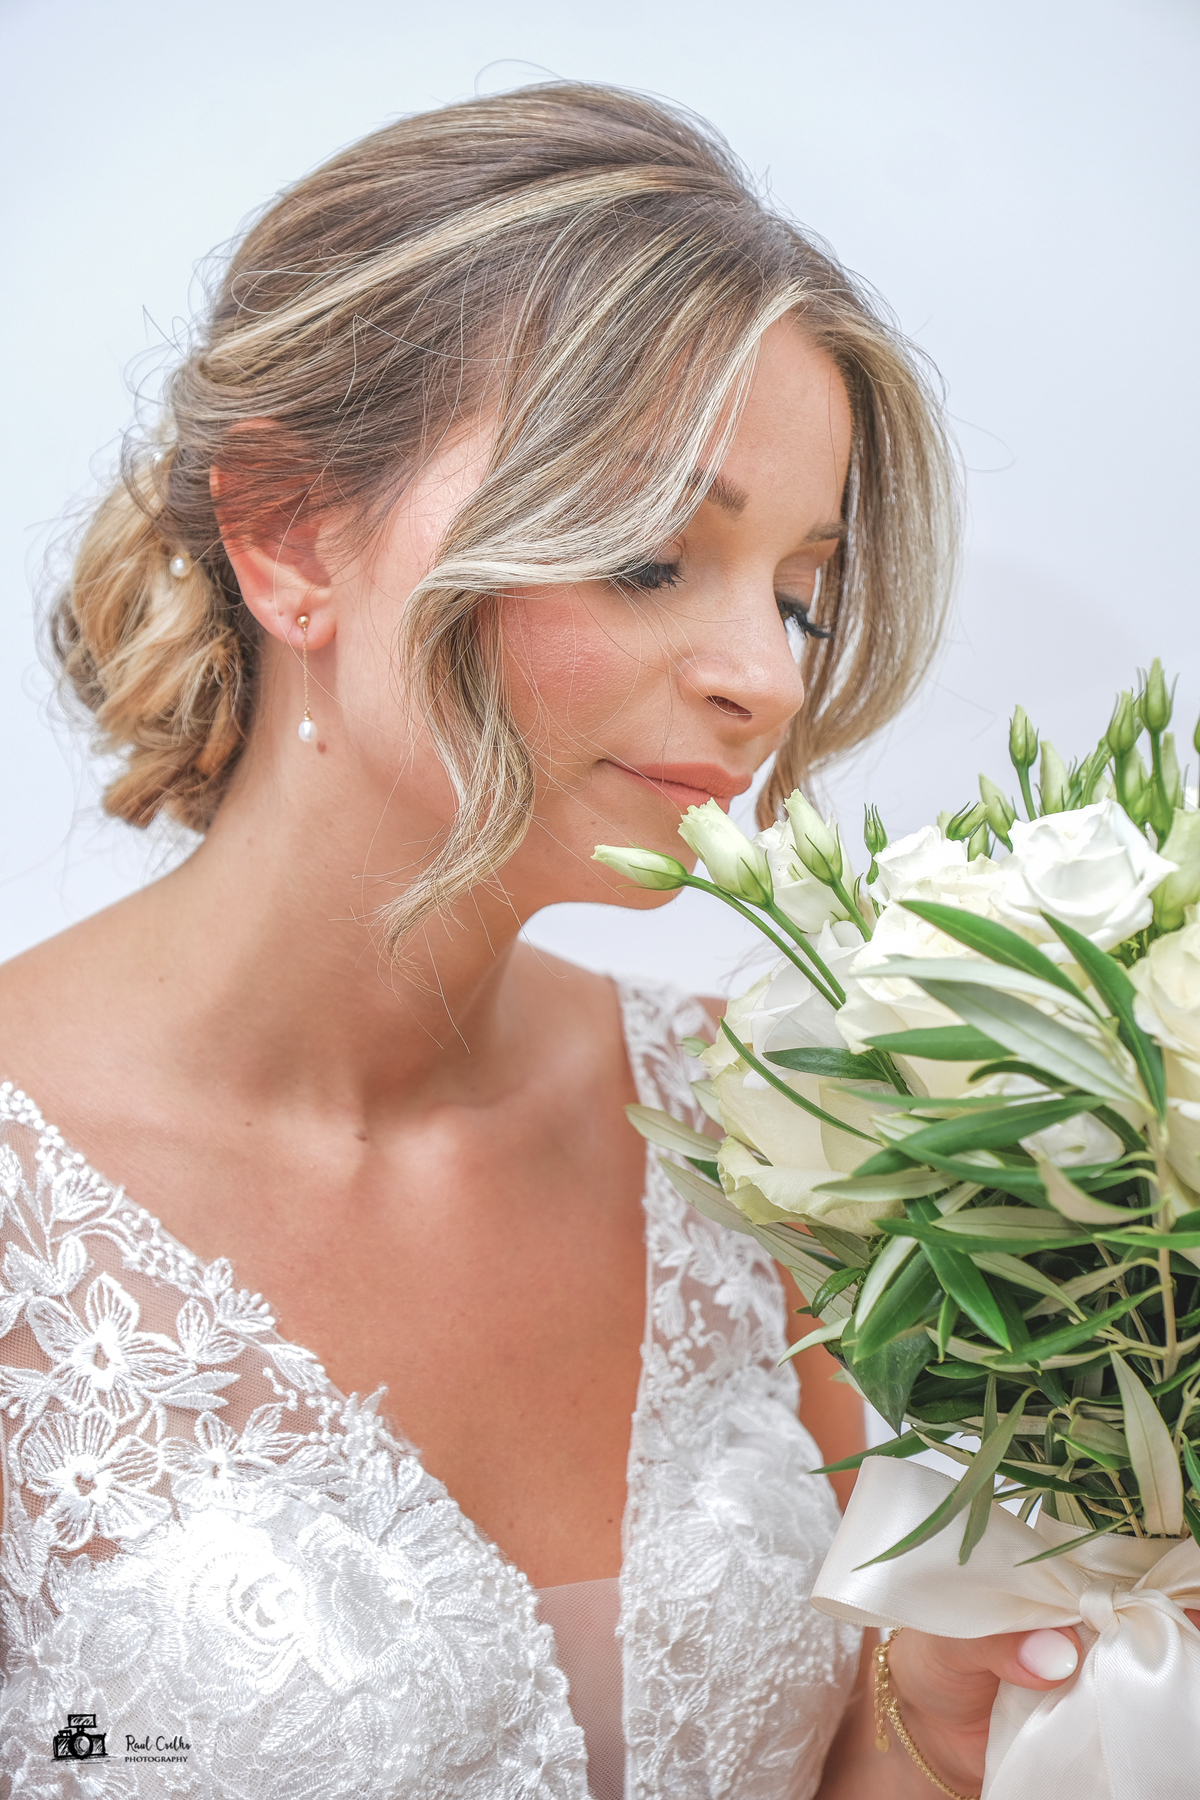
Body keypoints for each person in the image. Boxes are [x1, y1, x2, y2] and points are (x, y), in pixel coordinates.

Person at [0, 82, 1083, 1800]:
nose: (766, 678)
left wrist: (930, 1734)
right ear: (290, 533)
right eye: (649, 557)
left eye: (799, 594)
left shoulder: (745, 1127)